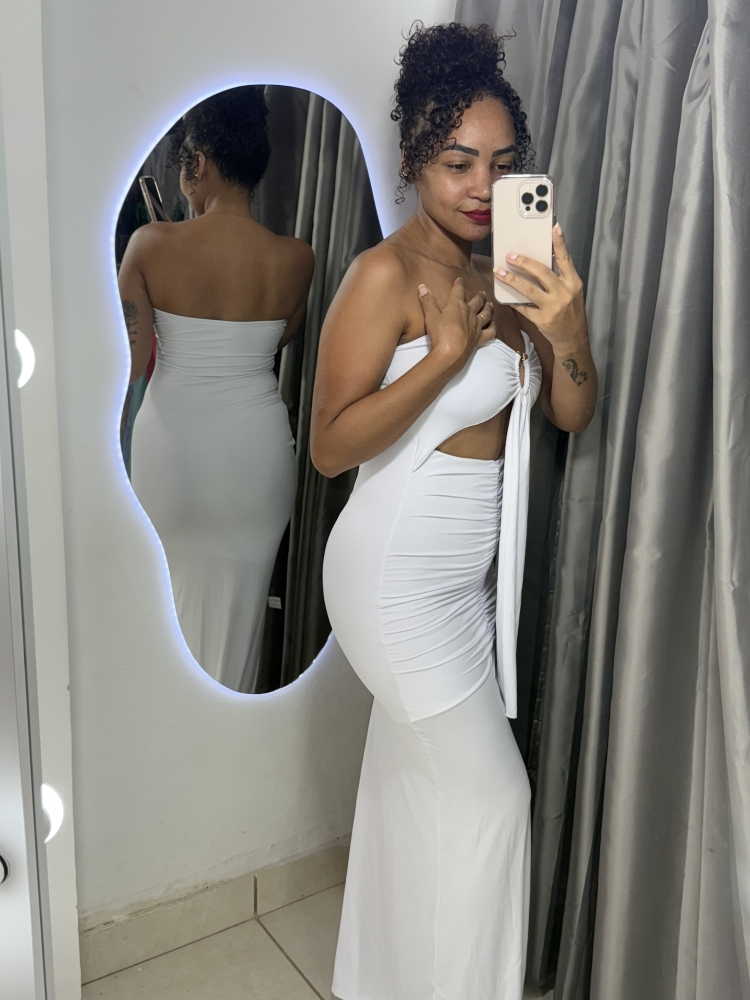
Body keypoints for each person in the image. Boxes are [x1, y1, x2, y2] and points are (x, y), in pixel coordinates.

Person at [311, 23, 597, 1000]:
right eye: (458, 162)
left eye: (504, 165)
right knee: (494, 800)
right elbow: (330, 447)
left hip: (467, 590)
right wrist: (439, 360)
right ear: (413, 161)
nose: (483, 186)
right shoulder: (382, 275)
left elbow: (569, 414)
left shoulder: (510, 273)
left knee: (411, 789)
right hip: (393, 581)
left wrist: (568, 332)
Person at [119, 86, 314, 693]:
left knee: (159, 608)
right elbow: (278, 341)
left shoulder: (151, 245)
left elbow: (129, 363)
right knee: (241, 620)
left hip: (174, 452)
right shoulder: (297, 259)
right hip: (255, 458)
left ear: (196, 164)